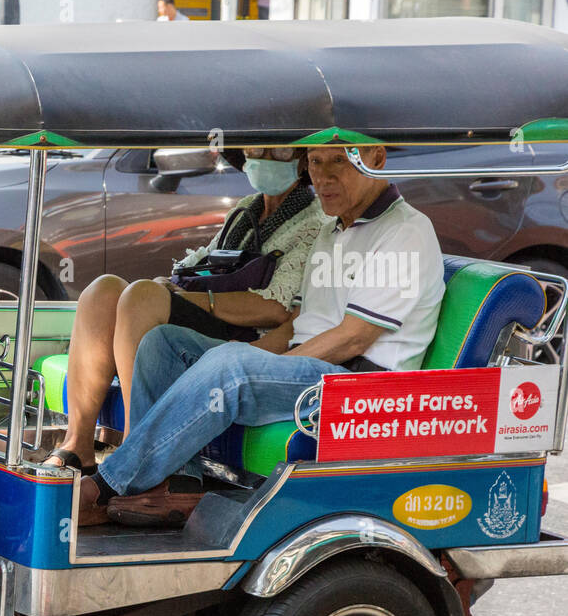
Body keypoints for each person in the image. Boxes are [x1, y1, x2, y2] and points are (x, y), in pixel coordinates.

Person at [76, 138, 446, 527]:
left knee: (233, 364)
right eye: (316, 161)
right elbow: (299, 323)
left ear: (377, 158)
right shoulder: (332, 231)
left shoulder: (405, 231)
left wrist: (258, 364)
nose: (324, 175)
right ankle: (178, 485)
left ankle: (106, 484)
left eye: (340, 160)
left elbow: (354, 336)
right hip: (311, 368)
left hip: (358, 387)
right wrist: (256, 355)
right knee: (162, 344)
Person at [44, 147, 327, 474]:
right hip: (213, 309)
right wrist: (171, 283)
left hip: (248, 333)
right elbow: (201, 262)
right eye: (256, 147)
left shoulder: (314, 219)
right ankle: (77, 444)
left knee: (142, 297)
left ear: (302, 159)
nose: (264, 155)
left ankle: (137, 449)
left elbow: (275, 307)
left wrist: (190, 298)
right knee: (103, 290)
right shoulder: (246, 209)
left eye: (277, 149)